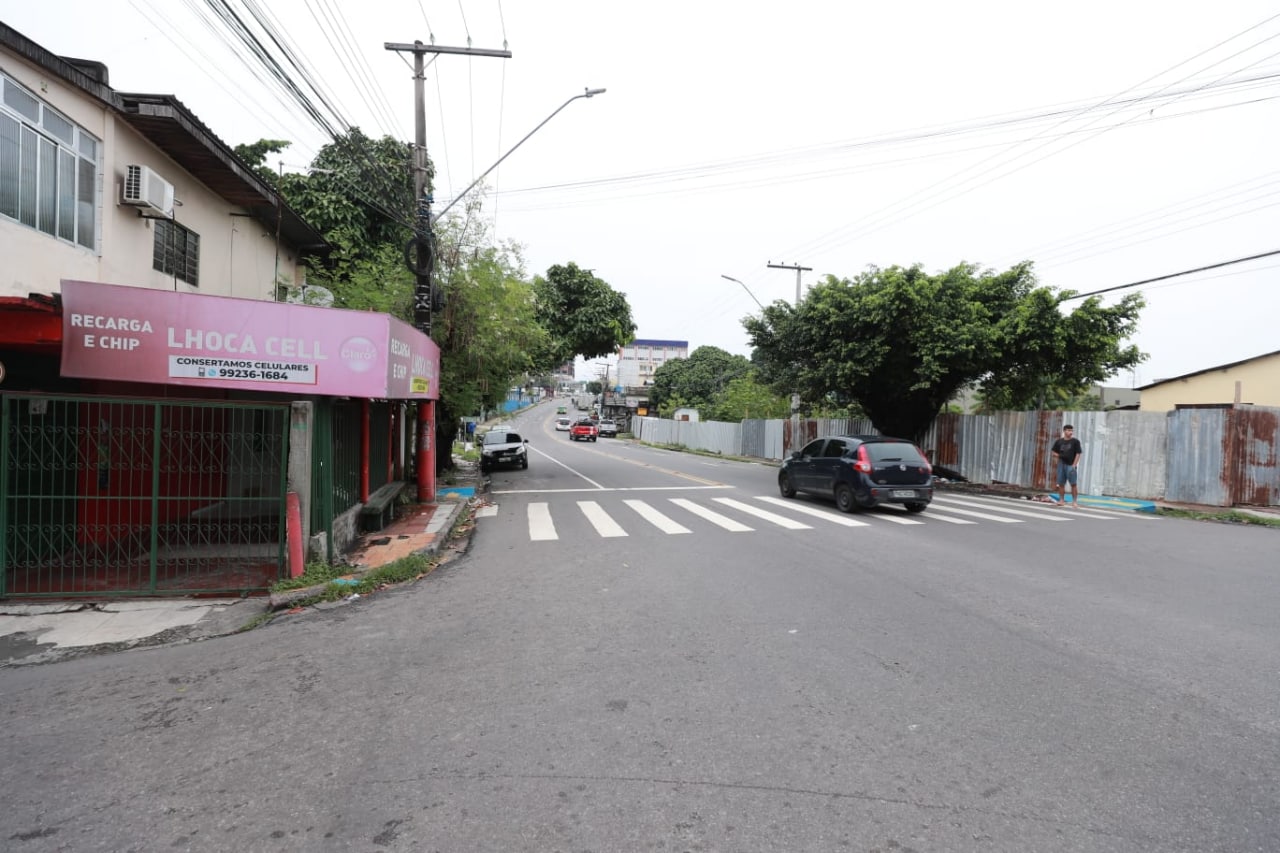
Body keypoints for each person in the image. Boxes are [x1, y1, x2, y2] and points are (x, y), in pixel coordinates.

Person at [1051, 424, 1083, 507]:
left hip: (1070, 464)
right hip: (1061, 464)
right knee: (1061, 484)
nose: (1070, 432)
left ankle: (1075, 501)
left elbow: (1078, 453)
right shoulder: (1059, 441)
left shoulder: (1075, 442)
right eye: (1068, 430)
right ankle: (1061, 500)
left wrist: (1074, 465)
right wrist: (1059, 456)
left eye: (1071, 430)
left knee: (1073, 484)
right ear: (1064, 431)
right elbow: (1053, 452)